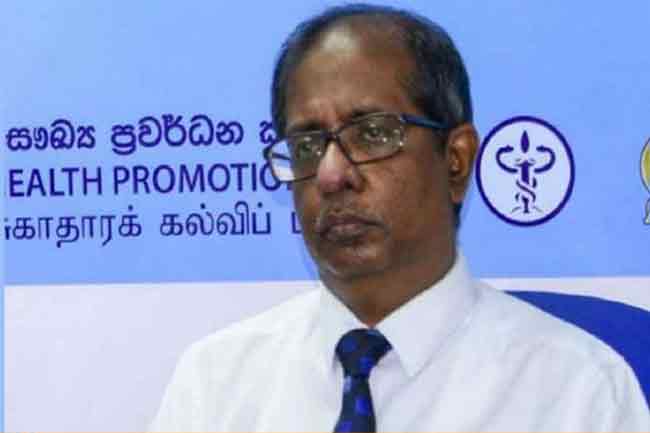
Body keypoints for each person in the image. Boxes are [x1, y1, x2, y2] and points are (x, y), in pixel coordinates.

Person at [150, 4, 650, 431]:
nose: (331, 173)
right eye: (306, 144)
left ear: (456, 161)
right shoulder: (217, 384)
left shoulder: (575, 392)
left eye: (372, 133)